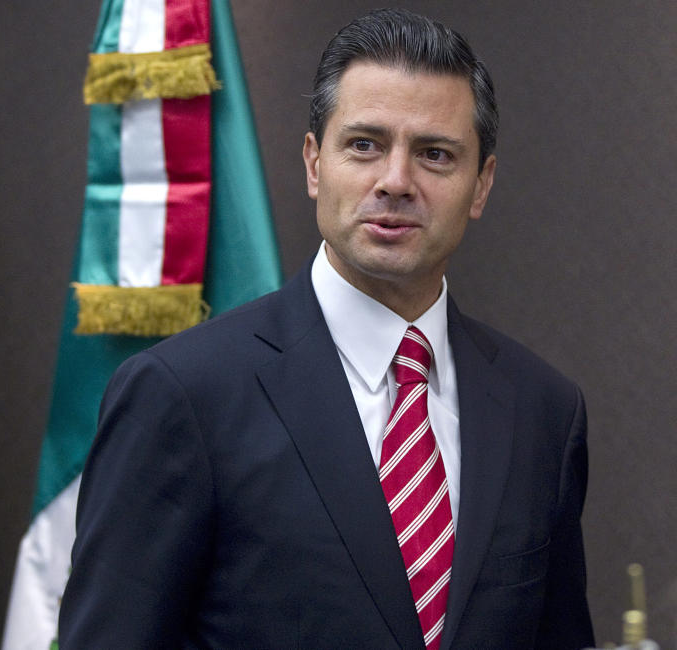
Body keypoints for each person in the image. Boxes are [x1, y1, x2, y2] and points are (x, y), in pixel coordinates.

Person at [58, 8, 594, 648]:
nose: (395, 182)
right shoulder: (181, 394)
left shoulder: (544, 412)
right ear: (314, 164)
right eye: (364, 144)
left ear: (481, 186)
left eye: (435, 154)